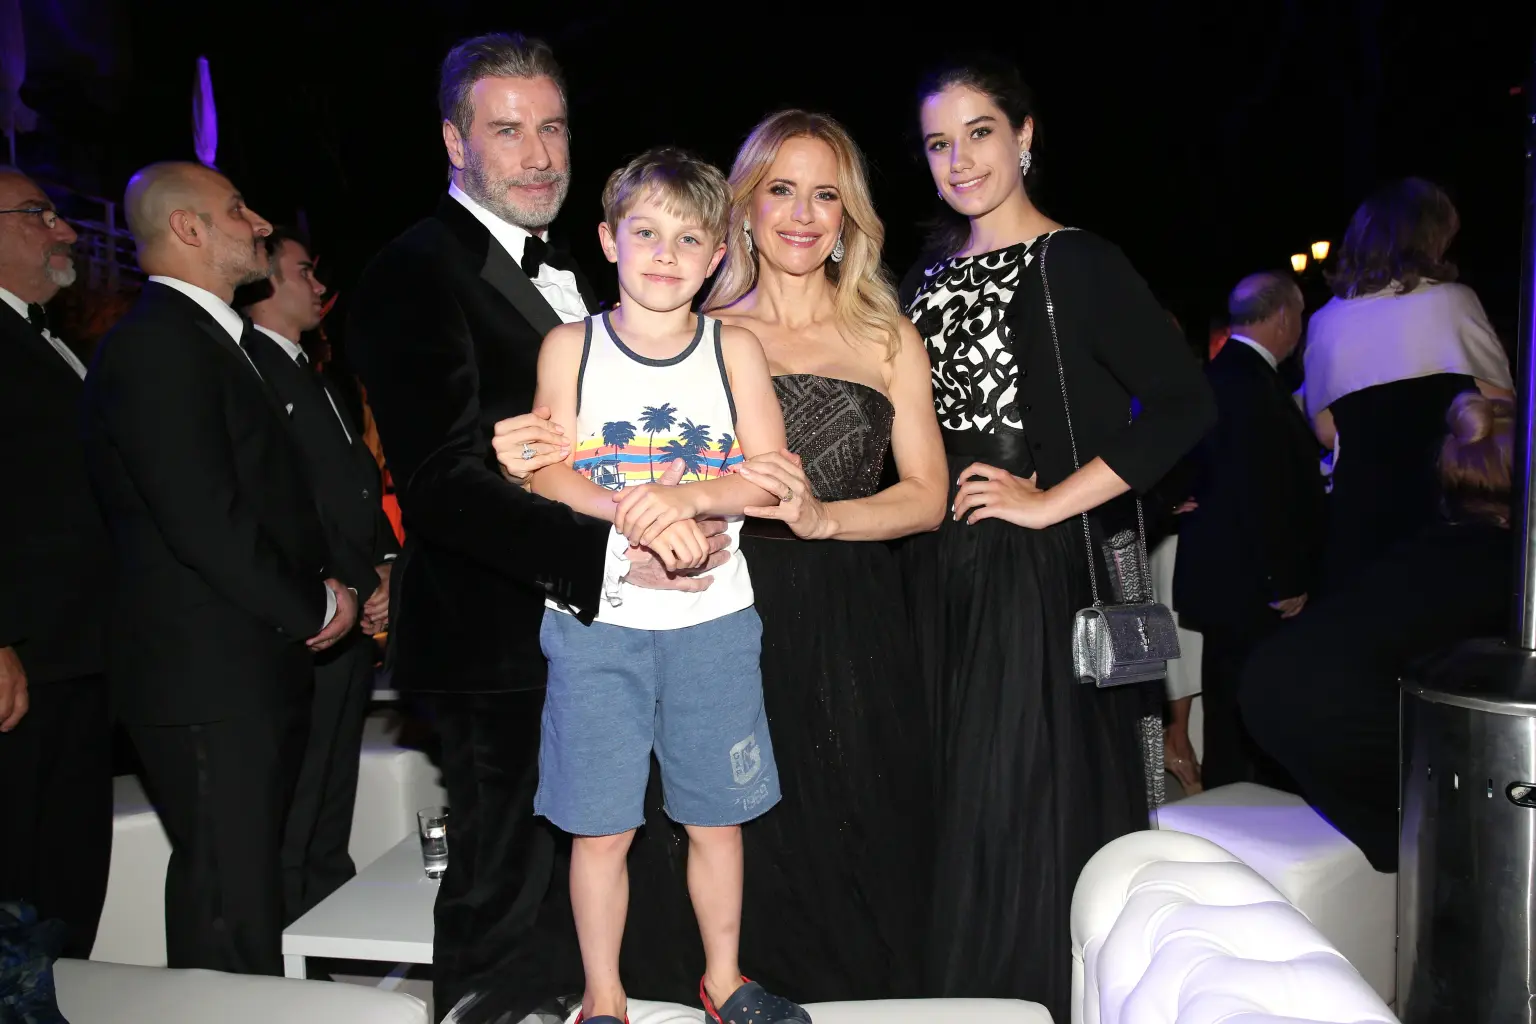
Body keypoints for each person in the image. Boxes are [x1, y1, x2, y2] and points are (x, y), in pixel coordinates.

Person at [347, 34, 726, 1020]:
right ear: (454, 141)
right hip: (493, 637)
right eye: (508, 130)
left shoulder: (591, 272)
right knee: (505, 892)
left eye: (552, 127)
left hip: (597, 633)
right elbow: (439, 482)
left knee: (587, 873)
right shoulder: (413, 270)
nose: (540, 154)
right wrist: (617, 558)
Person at [898, 56, 1215, 1018]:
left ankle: (1026, 999)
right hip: (929, 565)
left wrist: (1049, 502)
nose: (959, 160)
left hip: (1032, 573)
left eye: (979, 133)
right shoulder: (922, 276)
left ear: (1025, 136)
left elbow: (1183, 405)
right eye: (939, 144)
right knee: (947, 799)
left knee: (1018, 807)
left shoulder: (1077, 261)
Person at [522, 147, 805, 1024]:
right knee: (601, 827)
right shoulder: (569, 346)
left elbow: (772, 478)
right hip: (595, 625)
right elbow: (545, 472)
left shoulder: (735, 349)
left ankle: (723, 978)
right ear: (609, 240)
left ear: (717, 254)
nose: (665, 254)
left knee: (718, 817)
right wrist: (636, 514)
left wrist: (684, 498)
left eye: (688, 239)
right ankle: (603, 997)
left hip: (714, 624)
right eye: (645, 232)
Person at [81, 162, 358, 975]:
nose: (260, 223)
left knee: (245, 890)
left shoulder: (203, 340)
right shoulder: (159, 345)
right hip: (204, 676)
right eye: (237, 209)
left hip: (235, 667)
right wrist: (313, 605)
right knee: (229, 905)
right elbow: (204, 518)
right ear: (188, 229)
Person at [1241, 391, 1513, 871]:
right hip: (1334, 707)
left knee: (1426, 827)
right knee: (1466, 828)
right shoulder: (1508, 567)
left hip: (1270, 683)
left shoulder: (1432, 544)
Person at [236, 228, 400, 921]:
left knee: (334, 790)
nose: (320, 286)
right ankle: (293, 932)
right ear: (266, 283)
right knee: (300, 795)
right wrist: (357, 581)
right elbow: (289, 502)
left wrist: (387, 565)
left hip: (353, 612)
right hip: (311, 612)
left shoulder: (319, 376)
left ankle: (328, 922)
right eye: (305, 271)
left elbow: (357, 486)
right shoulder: (246, 369)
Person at [0, 167, 113, 959]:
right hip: (23, 659)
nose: (65, 230)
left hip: (79, 654)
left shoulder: (50, 339)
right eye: (39, 214)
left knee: (67, 873)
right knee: (16, 873)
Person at [1304, 178, 1512, 593]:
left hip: (1362, 516)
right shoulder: (1453, 301)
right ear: (1430, 238)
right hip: (1441, 509)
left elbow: (1326, 431)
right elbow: (1502, 404)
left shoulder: (1326, 319)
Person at [1174, 272, 1324, 790]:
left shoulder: (1221, 375)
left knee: (1228, 710)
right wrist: (1284, 578)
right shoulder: (1251, 384)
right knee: (1248, 712)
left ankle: (1230, 806)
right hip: (1252, 583)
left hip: (1227, 577)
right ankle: (1243, 812)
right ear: (1282, 316)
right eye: (1299, 316)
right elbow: (1262, 490)